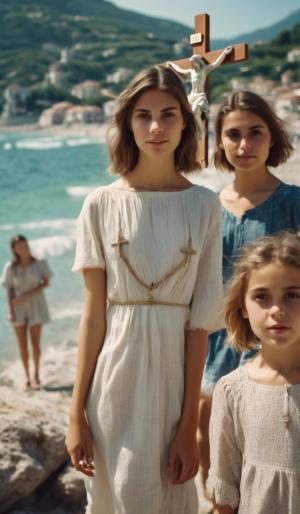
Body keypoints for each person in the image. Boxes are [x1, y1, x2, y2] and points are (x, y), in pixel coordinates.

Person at [65, 64, 224, 514]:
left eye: (169, 114)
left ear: (185, 122)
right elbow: (94, 317)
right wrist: (75, 414)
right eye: (143, 115)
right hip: (112, 384)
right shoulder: (99, 204)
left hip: (174, 388)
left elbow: (200, 324)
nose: (156, 128)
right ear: (127, 123)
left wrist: (189, 424)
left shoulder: (204, 206)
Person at [198, 90, 298, 486]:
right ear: (219, 143)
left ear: (272, 136)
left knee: (271, 451)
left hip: (277, 344)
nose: (245, 144)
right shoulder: (206, 207)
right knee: (211, 443)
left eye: (255, 132)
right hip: (213, 344)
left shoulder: (294, 202)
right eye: (233, 134)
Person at [207, 231, 300, 513]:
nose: (277, 309)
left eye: (292, 295)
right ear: (243, 307)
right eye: (261, 296)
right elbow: (225, 492)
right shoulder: (232, 389)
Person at [1, 235, 52, 390]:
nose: (24, 249)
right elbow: (9, 288)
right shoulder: (11, 267)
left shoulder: (40, 263)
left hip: (36, 304)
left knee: (35, 343)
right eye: (20, 247)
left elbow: (46, 283)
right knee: (22, 345)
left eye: (25, 245)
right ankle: (27, 377)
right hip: (17, 307)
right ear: (14, 250)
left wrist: (26, 295)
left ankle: (36, 375)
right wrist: (10, 310)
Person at [167, 46, 232, 139]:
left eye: (194, 62)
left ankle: (201, 130)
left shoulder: (204, 70)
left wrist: (224, 53)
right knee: (189, 115)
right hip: (192, 96)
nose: (193, 64)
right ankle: (195, 131)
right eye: (192, 63)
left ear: (198, 61)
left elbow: (216, 63)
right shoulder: (191, 72)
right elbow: (179, 70)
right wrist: (171, 64)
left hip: (200, 96)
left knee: (194, 112)